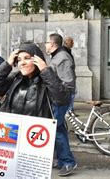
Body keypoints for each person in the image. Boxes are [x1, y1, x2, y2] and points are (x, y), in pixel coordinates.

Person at [45, 33, 77, 176]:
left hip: (61, 98)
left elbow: (68, 81)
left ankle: (69, 162)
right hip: (58, 97)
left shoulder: (62, 57)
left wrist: (58, 93)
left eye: (47, 42)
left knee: (56, 130)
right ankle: (62, 161)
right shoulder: (58, 56)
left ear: (52, 44)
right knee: (59, 128)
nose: (45, 45)